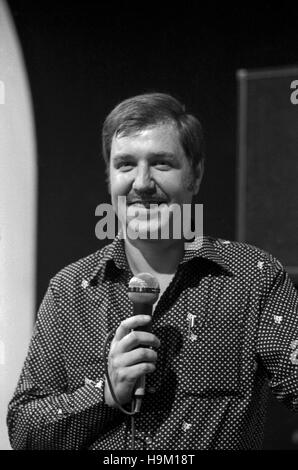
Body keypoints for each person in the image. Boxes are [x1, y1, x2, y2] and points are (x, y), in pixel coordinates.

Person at [7, 92, 298, 450]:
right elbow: (24, 432)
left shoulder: (252, 277)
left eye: (161, 163)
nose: (141, 183)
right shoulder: (70, 291)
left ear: (195, 175)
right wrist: (106, 392)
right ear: (109, 178)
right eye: (125, 165)